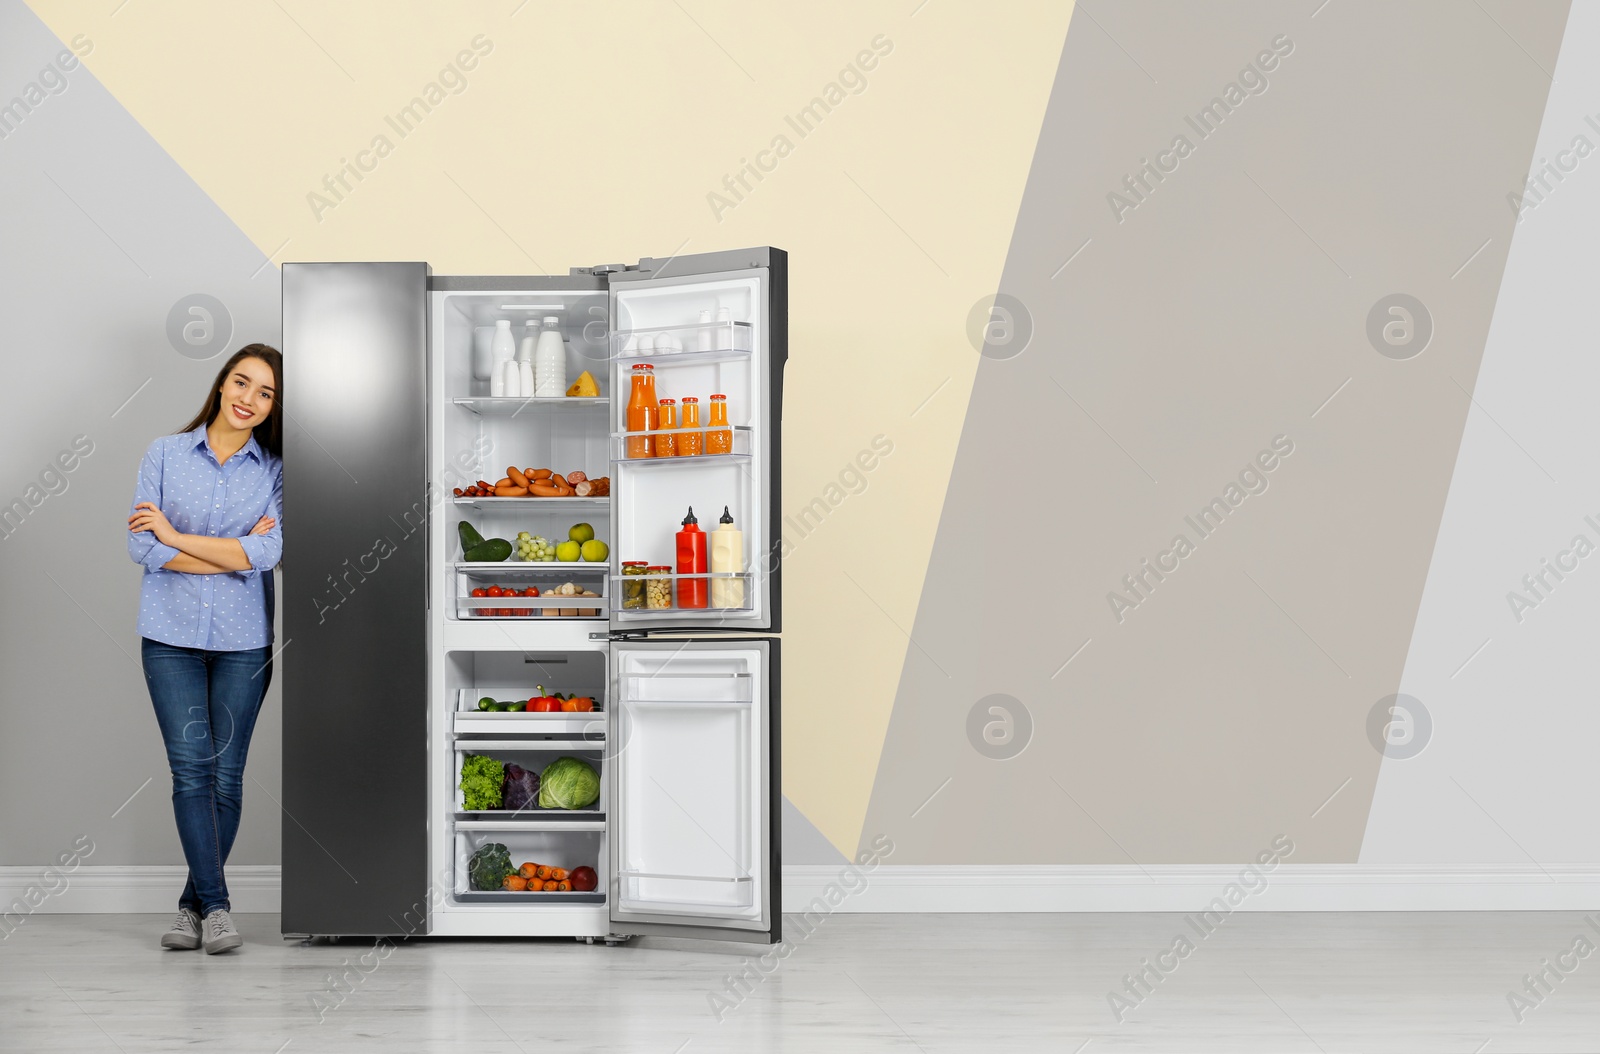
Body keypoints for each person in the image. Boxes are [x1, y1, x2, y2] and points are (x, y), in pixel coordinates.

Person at [126, 344, 283, 954]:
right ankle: (217, 907)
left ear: (272, 407)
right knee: (191, 770)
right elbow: (144, 550)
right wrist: (230, 553)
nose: (248, 399)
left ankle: (192, 908)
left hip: (245, 643)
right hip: (169, 638)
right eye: (241, 383)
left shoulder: (271, 470)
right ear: (221, 386)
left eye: (264, 393)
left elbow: (267, 556)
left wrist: (175, 536)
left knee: (226, 776)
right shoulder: (163, 454)